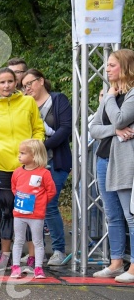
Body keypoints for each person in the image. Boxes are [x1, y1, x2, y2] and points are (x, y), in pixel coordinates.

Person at [0, 67, 44, 269]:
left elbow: (38, 129)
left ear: (16, 83)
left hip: (28, 168)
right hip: (2, 167)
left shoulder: (28, 102)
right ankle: (5, 255)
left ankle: (32, 257)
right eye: (2, 82)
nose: (6, 86)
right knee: (7, 212)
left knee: (30, 212)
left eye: (10, 81)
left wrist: (35, 150)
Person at [90, 49, 134, 283]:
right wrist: (114, 131)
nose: (107, 69)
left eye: (112, 65)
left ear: (126, 67)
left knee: (131, 214)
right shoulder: (112, 95)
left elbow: (119, 119)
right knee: (112, 215)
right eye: (107, 65)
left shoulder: (130, 94)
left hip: (125, 161)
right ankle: (116, 262)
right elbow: (94, 128)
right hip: (104, 159)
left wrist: (107, 99)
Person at [21, 68, 72, 266]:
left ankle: (58, 250)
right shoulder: (25, 104)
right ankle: (36, 252)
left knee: (49, 204)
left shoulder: (58, 100)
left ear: (41, 81)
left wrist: (40, 147)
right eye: (24, 86)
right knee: (31, 207)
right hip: (33, 165)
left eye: (30, 83)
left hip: (55, 162)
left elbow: (65, 129)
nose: (27, 88)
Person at [10, 139, 56, 279]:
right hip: (19, 213)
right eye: (19, 153)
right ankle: (16, 266)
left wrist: (40, 203)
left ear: (34, 155)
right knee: (18, 240)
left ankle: (38, 268)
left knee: (37, 241)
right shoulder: (17, 172)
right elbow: (14, 188)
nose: (19, 156)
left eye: (23, 153)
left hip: (36, 215)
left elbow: (51, 191)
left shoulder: (44, 173)